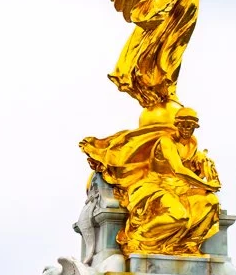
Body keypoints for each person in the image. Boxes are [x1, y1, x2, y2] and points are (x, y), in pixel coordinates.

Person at [80, 103, 221, 256]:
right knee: (179, 215)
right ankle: (137, 238)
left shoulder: (192, 145)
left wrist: (204, 166)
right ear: (177, 124)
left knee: (211, 202)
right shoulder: (166, 141)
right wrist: (207, 185)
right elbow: (179, 170)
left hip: (178, 187)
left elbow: (190, 167)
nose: (187, 129)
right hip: (155, 185)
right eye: (184, 125)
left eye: (191, 126)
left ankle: (186, 245)